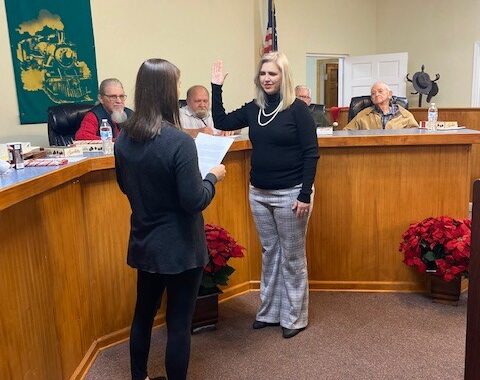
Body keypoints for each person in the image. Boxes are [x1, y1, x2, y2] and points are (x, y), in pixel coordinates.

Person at [114, 59, 226, 380]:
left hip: (145, 242)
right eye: (177, 85)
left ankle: (140, 377)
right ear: (166, 92)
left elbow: (125, 186)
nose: (180, 89)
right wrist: (212, 177)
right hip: (180, 248)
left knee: (143, 316)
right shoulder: (178, 142)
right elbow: (194, 201)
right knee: (178, 325)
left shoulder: (123, 140)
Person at [211, 52, 319, 339]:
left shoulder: (297, 110)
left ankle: (294, 318)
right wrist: (216, 86)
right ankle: (269, 312)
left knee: (292, 257)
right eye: (263, 74)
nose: (267, 79)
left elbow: (311, 153)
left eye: (273, 74)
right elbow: (221, 121)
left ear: (283, 77)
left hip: (292, 193)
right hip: (258, 192)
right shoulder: (254, 108)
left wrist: (305, 194)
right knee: (271, 252)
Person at [345, 81, 418, 130]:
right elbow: (347, 132)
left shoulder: (405, 115)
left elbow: (415, 135)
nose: (376, 94)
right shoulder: (363, 115)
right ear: (371, 98)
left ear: (389, 94)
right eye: (373, 93)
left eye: (380, 91)